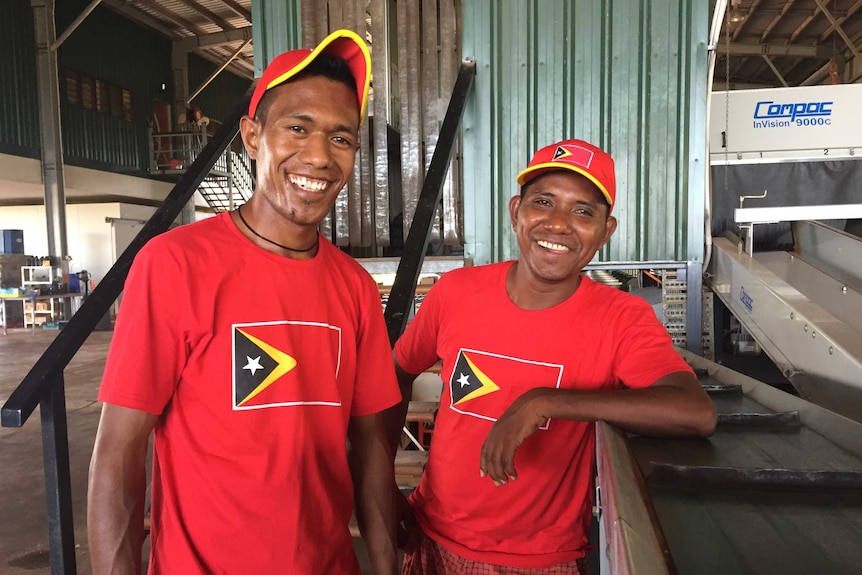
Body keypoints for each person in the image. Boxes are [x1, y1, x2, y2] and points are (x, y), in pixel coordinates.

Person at [88, 29, 401, 575]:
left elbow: (373, 443)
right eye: (297, 128)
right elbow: (119, 452)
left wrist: (385, 562)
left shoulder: (353, 286)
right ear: (253, 136)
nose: (319, 156)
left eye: (341, 138)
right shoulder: (174, 265)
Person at [385, 138, 717, 574]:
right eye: (544, 202)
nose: (559, 224)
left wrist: (545, 400)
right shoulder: (456, 293)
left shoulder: (621, 318)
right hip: (431, 537)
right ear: (516, 211)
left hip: (541, 560)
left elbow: (694, 412)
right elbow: (396, 374)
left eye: (583, 211)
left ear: (606, 230)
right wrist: (383, 486)